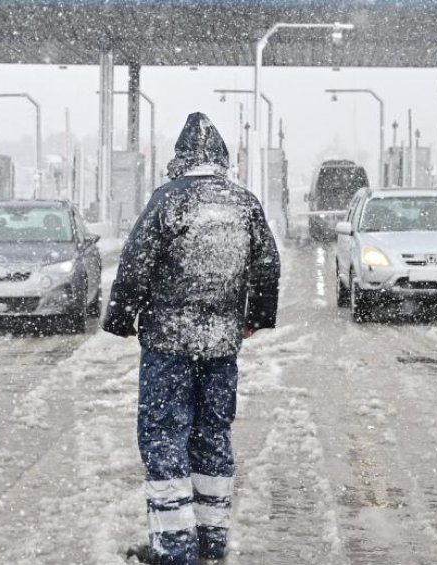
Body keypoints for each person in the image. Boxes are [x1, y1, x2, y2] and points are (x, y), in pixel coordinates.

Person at [103, 112, 281, 565]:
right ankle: (212, 541)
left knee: (165, 438)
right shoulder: (245, 203)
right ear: (220, 158)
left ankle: (174, 548)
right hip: (221, 347)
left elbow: (137, 262)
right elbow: (266, 265)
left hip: (168, 346)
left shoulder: (168, 201)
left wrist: (122, 318)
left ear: (181, 159)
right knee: (212, 436)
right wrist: (254, 318)